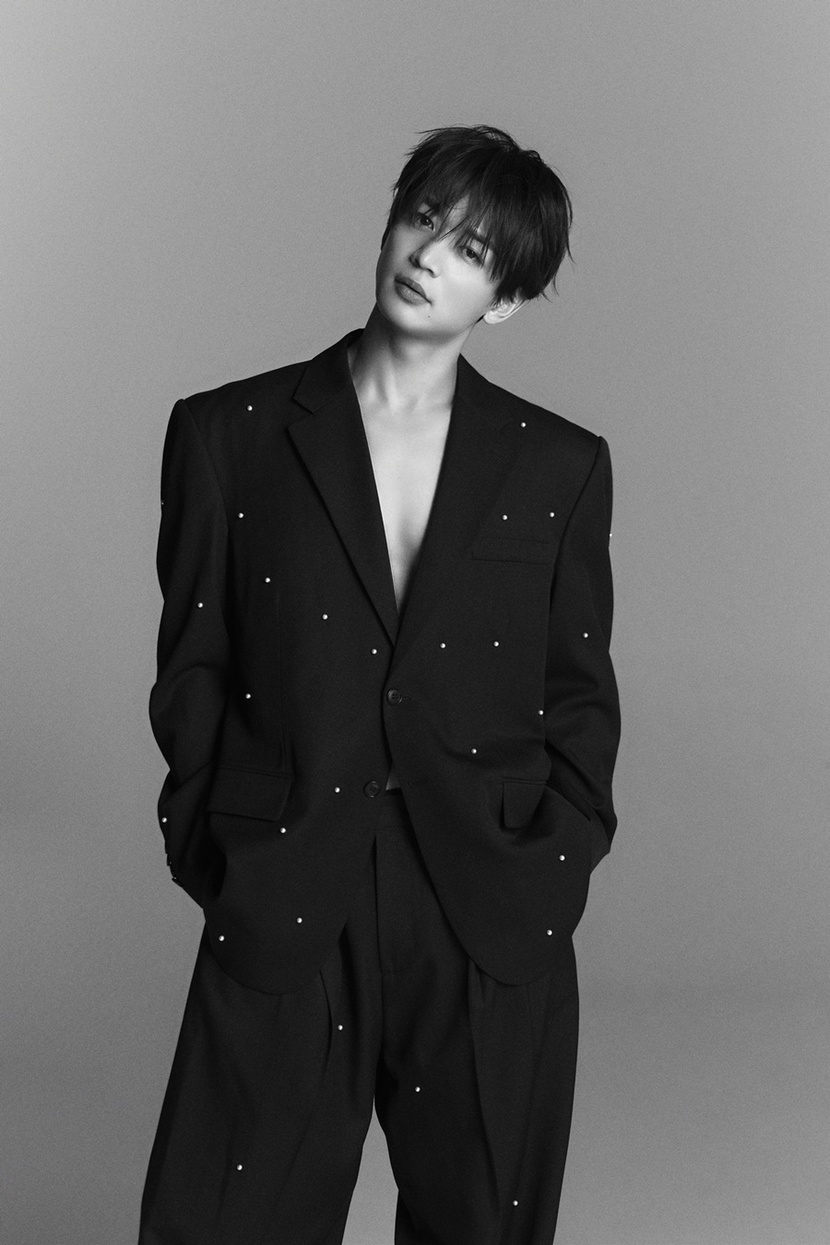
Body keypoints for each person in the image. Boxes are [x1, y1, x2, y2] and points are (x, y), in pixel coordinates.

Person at [139, 124, 620, 1245]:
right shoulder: (228, 436)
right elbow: (192, 666)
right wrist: (219, 848)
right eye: (422, 218)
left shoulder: (558, 465)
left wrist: (551, 862)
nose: (427, 255)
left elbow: (577, 695)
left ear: (505, 301)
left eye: (471, 250)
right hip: (287, 872)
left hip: (486, 895)